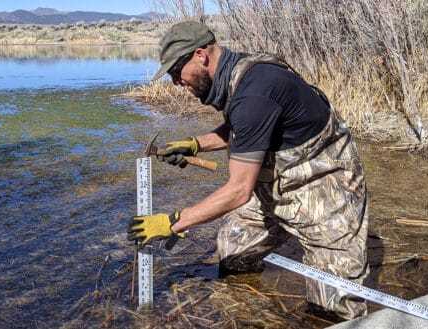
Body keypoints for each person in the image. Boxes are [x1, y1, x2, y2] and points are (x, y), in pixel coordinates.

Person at [127, 21, 369, 320]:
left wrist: (174, 222)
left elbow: (239, 191)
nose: (176, 82)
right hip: (278, 186)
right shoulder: (238, 77)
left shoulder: (255, 91)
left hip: (326, 189)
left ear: (200, 55)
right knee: (233, 251)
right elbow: (243, 127)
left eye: (177, 72)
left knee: (332, 307)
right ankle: (253, 314)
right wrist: (194, 144)